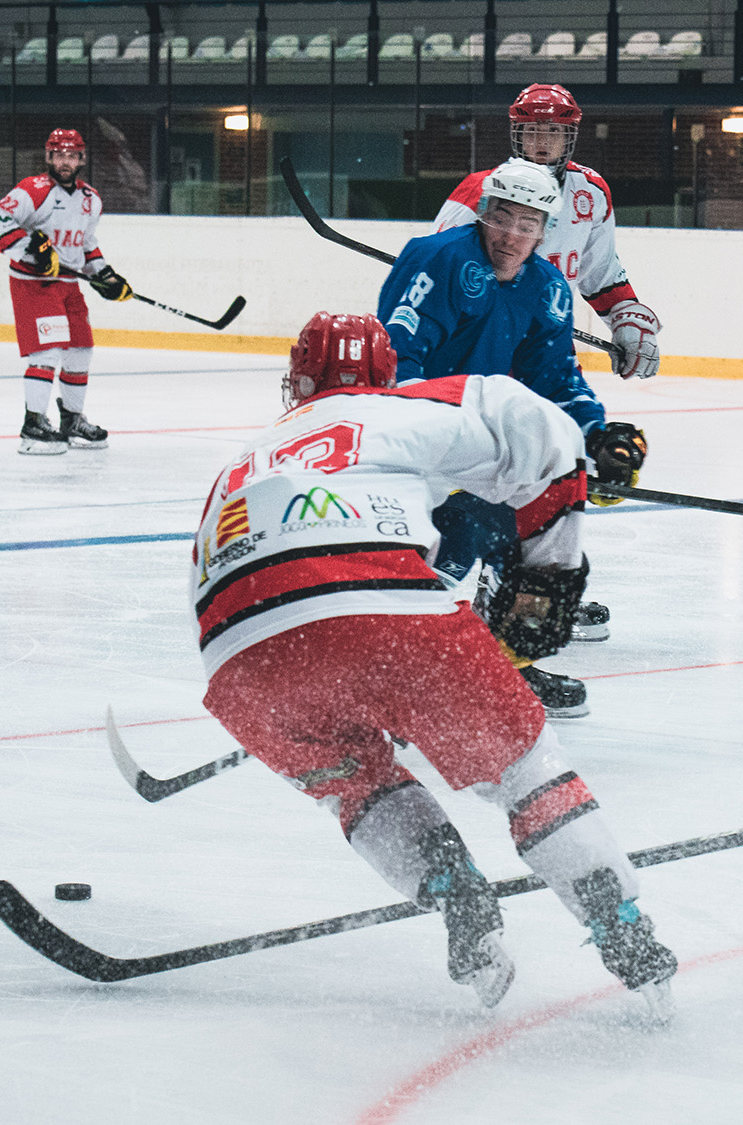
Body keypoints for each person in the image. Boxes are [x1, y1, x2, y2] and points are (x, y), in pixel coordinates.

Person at [191, 311, 678, 1017]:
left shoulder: (243, 458)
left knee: (357, 786)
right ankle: (621, 927)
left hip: (242, 664)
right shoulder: (395, 406)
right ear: (383, 376)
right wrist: (550, 566)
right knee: (524, 769)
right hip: (384, 610)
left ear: (299, 381)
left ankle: (459, 901)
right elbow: (529, 422)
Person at [379, 158, 649, 717]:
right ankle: (387, 670)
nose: (512, 236)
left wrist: (596, 436)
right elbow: (398, 361)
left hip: (483, 446)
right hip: (414, 438)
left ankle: (506, 665)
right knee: (449, 548)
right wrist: (451, 437)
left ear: (545, 231)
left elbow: (556, 381)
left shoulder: (548, 288)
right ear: (482, 213)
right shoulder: (436, 260)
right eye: (503, 218)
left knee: (533, 544)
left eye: (528, 225)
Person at [433, 84, 663, 384]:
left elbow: (602, 276)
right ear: (518, 135)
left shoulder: (590, 192)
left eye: (553, 132)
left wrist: (626, 317)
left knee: (570, 425)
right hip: (481, 344)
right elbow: (438, 274)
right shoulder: (480, 189)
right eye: (531, 132)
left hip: (551, 344)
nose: (542, 142)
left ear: (569, 136)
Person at [0, 127, 133, 455]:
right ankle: (33, 424)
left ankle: (72, 421)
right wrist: (32, 250)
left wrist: (107, 276)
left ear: (81, 158)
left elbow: (86, 246)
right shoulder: (31, 190)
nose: (65, 161)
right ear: (48, 157)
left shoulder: (91, 200)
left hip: (69, 287)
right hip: (34, 285)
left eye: (71, 155)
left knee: (80, 351)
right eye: (59, 154)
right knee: (46, 353)